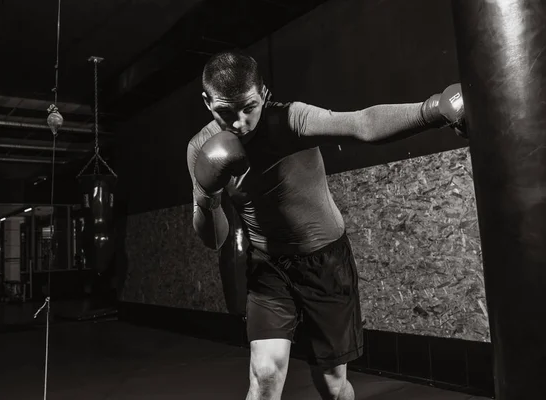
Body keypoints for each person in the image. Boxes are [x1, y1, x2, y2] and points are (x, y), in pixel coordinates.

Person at [186, 50, 466, 400]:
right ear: (207, 102)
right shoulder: (200, 148)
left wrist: (436, 108)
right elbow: (214, 240)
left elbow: (360, 123)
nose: (240, 123)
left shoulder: (290, 120)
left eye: (249, 107)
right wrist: (206, 200)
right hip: (270, 268)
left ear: (264, 93)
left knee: (332, 386)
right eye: (225, 112)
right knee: (265, 375)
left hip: (325, 263)